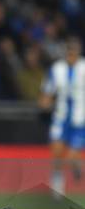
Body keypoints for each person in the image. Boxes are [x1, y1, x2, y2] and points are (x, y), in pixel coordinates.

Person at [40, 36, 85, 197]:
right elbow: (47, 90)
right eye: (69, 52)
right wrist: (45, 102)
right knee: (57, 152)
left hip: (80, 120)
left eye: (74, 52)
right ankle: (57, 190)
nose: (71, 55)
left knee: (72, 156)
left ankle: (76, 166)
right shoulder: (57, 69)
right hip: (61, 117)